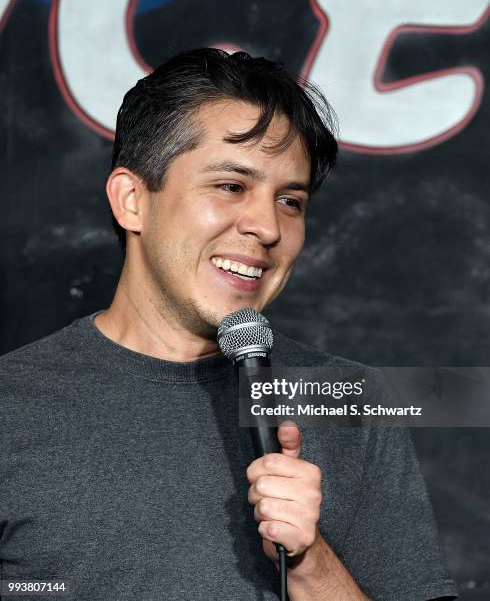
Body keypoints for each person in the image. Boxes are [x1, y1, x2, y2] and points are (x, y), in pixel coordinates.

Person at [0, 48, 457, 600]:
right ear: (131, 200)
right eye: (231, 186)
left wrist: (311, 565)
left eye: (290, 200)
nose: (267, 226)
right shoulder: (13, 406)